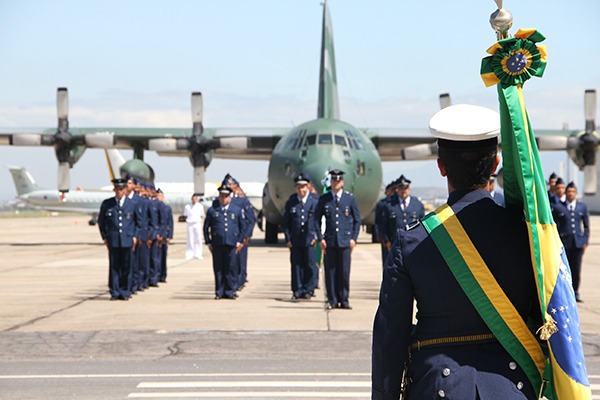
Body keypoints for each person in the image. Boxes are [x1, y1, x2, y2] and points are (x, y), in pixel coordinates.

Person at [372, 105, 541, 399]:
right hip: (511, 387)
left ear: (441, 167)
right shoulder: (526, 234)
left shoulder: (412, 240)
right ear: (495, 164)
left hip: (437, 386)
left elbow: (391, 335)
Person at [315, 169, 361, 310]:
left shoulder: (349, 199)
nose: (336, 183)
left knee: (344, 272)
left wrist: (353, 238)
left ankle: (344, 299)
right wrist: (320, 238)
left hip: (345, 241)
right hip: (330, 241)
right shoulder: (324, 199)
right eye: (334, 180)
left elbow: (357, 220)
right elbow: (316, 219)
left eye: (338, 180)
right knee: (330, 273)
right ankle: (332, 300)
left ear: (342, 182)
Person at [98, 178, 141, 301]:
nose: (119, 191)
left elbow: (138, 223)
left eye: (122, 189)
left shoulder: (132, 204)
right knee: (114, 267)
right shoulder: (107, 204)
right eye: (117, 189)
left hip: (127, 239)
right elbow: (102, 222)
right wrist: (105, 237)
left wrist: (135, 236)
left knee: (127, 266)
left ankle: (125, 291)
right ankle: (115, 291)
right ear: (114, 190)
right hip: (114, 240)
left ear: (126, 190)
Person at [203, 184, 245, 299]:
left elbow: (242, 227)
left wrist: (239, 241)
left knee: (231, 268)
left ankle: (230, 291)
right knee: (218, 269)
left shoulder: (236, 210)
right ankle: (219, 291)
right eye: (221, 196)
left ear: (230, 197)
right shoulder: (212, 211)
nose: (223, 198)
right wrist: (208, 242)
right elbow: (206, 228)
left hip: (231, 244)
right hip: (217, 244)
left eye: (226, 196)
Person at [283, 172, 320, 299]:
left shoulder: (315, 201)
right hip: (295, 240)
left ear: (308, 186)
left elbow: (320, 221)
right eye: (298, 187)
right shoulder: (291, 202)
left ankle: (308, 289)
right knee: (296, 266)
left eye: (303, 186)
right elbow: (286, 223)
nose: (301, 189)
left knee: (310, 265)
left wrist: (317, 237)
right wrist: (288, 239)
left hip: (310, 240)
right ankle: (297, 290)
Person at [552, 181, 589, 302]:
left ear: (576, 193)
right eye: (568, 192)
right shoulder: (558, 207)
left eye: (573, 192)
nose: (570, 194)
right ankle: (566, 293)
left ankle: (576, 292)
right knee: (565, 270)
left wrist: (584, 241)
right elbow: (555, 226)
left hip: (577, 243)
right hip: (564, 244)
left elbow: (586, 226)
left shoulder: (581, 207)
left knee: (576, 269)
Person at [380, 175, 425, 254]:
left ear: (409, 189)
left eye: (405, 188)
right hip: (395, 245)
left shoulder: (417, 205)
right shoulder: (389, 205)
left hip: (413, 245)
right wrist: (387, 241)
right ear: (397, 190)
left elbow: (423, 225)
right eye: (401, 188)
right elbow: (383, 226)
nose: (403, 191)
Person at [374, 182, 394, 266]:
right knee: (386, 259)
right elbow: (378, 220)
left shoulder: (394, 204)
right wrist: (378, 234)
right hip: (385, 234)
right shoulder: (382, 204)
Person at [156, 189, 173, 283]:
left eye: (160, 196)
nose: (159, 197)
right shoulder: (153, 206)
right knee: (156, 257)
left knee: (163, 257)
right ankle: (157, 274)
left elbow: (170, 223)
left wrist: (169, 235)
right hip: (156, 235)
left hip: (164, 235)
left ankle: (163, 275)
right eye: (157, 196)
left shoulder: (167, 208)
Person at [183, 194, 205, 260]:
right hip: (190, 223)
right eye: (193, 198)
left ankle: (198, 254)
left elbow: (202, 215)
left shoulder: (200, 206)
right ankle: (189, 254)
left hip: (197, 223)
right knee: (190, 239)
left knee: (198, 239)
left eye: (195, 198)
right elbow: (185, 215)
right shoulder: (187, 206)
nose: (194, 200)